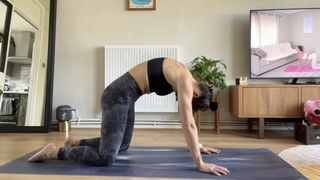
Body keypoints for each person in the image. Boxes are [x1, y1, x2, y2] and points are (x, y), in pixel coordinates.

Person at [28, 57, 230, 176]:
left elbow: (190, 122)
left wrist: (200, 146)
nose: (180, 99)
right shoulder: (185, 80)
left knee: (122, 145)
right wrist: (199, 164)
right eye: (188, 102)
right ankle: (54, 152)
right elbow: (188, 125)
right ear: (196, 94)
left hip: (127, 97)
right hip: (117, 96)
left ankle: (76, 142)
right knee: (105, 158)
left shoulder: (184, 73)